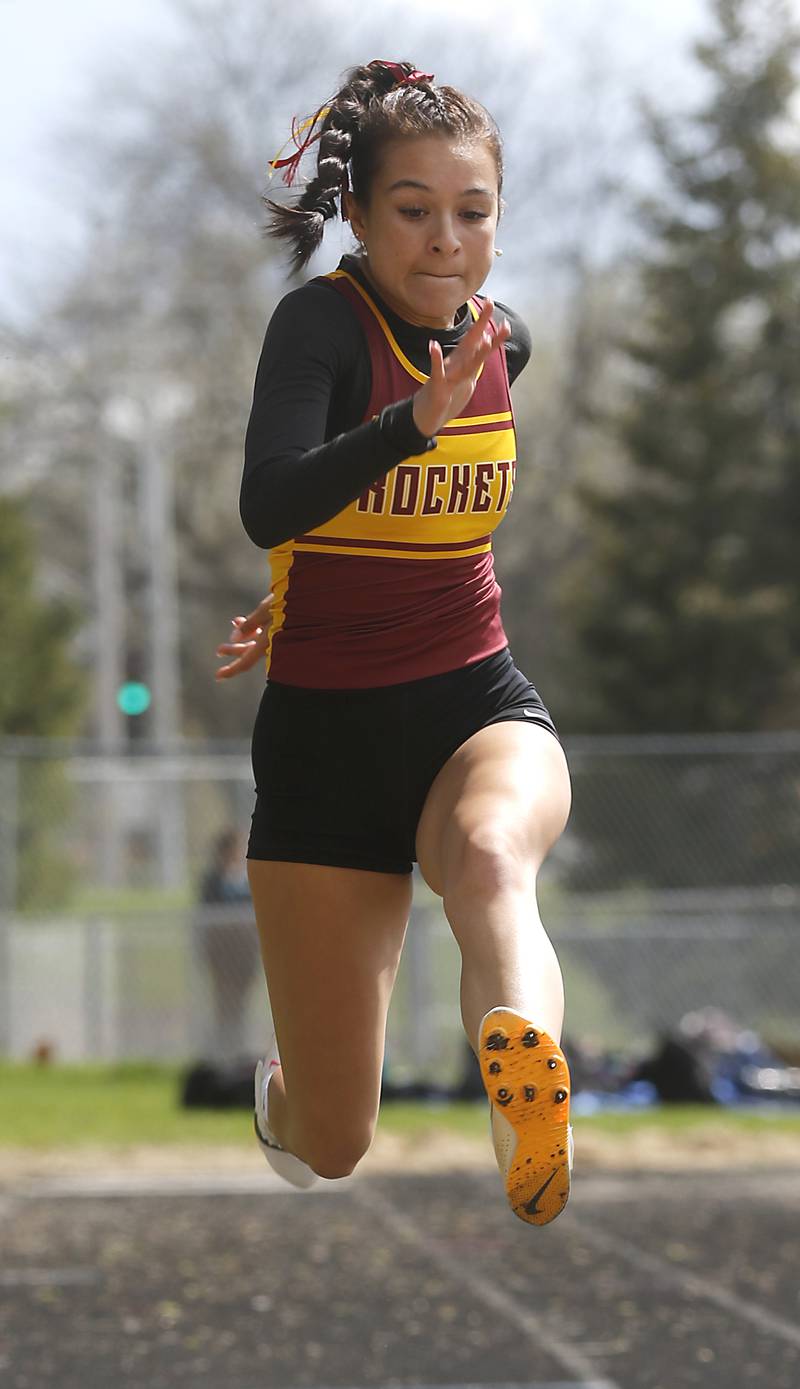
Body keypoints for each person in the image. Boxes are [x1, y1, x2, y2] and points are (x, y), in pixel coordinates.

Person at [216, 59, 573, 1225]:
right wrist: (408, 424)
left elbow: (384, 528)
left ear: (496, 227)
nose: (443, 242)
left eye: (470, 214)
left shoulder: (499, 339)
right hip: (327, 747)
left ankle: (523, 1061)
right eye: (411, 211)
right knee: (334, 1144)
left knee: (487, 860)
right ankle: (290, 1095)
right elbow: (272, 500)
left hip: (476, 703)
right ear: (358, 217)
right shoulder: (319, 324)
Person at [195, 829, 260, 1063]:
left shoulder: (246, 881)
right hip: (222, 958)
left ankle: (239, 1048)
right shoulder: (212, 882)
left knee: (241, 1005)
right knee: (223, 1004)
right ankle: (223, 1053)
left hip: (245, 957)